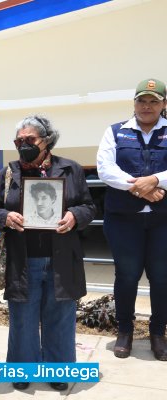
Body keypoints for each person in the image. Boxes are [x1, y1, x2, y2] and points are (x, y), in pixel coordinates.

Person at [0, 115, 95, 392]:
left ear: (46, 141)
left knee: (60, 317)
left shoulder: (70, 169)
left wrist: (74, 215)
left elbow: (88, 207)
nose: (23, 146)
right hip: (24, 259)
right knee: (22, 318)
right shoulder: (7, 174)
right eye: (18, 141)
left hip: (61, 258)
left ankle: (57, 370)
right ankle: (23, 369)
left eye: (29, 140)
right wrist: (5, 216)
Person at [97, 78, 167, 361]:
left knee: (162, 278)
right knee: (126, 277)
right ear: (134, 103)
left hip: (163, 220)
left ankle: (158, 333)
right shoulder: (115, 132)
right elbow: (104, 168)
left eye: (153, 101)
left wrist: (156, 179)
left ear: (164, 104)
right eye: (142, 100)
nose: (146, 106)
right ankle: (124, 331)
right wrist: (139, 187)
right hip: (124, 220)